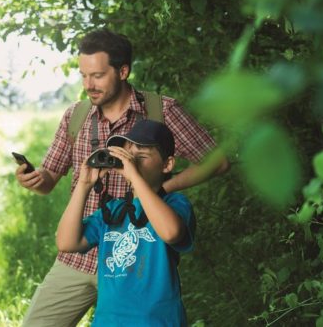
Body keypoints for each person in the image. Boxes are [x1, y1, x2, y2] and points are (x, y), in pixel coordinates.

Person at [17, 28, 229, 326]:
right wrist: (36, 179)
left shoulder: (161, 111)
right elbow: (50, 177)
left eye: (98, 76)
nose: (89, 85)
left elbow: (216, 162)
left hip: (139, 262)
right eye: (83, 75)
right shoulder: (76, 116)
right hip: (82, 252)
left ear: (123, 71)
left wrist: (162, 187)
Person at [56, 120, 195, 326]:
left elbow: (171, 233)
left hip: (156, 321)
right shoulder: (114, 209)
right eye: (128, 156)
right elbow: (66, 243)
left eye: (142, 157)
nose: (132, 162)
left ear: (167, 165)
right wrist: (83, 185)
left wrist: (135, 177)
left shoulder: (175, 203)